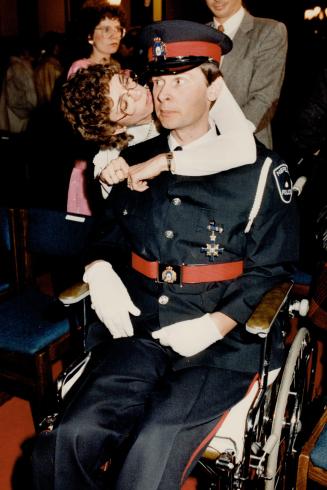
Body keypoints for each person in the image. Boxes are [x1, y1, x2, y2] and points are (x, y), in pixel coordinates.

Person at [32, 20, 298, 490]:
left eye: (180, 80)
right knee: (65, 440)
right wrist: (99, 268)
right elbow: (107, 236)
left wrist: (218, 323)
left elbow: (273, 269)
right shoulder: (130, 161)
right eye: (158, 81)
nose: (165, 94)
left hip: (220, 347)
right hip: (140, 332)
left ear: (215, 88)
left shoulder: (261, 171)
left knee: (150, 452)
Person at [61, 62, 256, 199]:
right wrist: (109, 179)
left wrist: (164, 161)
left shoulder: (171, 77)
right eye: (124, 103)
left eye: (126, 82)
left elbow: (244, 147)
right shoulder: (113, 156)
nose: (138, 92)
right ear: (116, 128)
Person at [205, 0, 288, 149]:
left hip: (247, 148)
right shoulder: (196, 36)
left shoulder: (269, 31)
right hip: (197, 148)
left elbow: (264, 99)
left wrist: (221, 140)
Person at [67, 2, 126, 78]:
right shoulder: (81, 69)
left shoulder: (117, 68)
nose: (115, 36)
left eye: (118, 29)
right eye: (107, 29)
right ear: (90, 36)